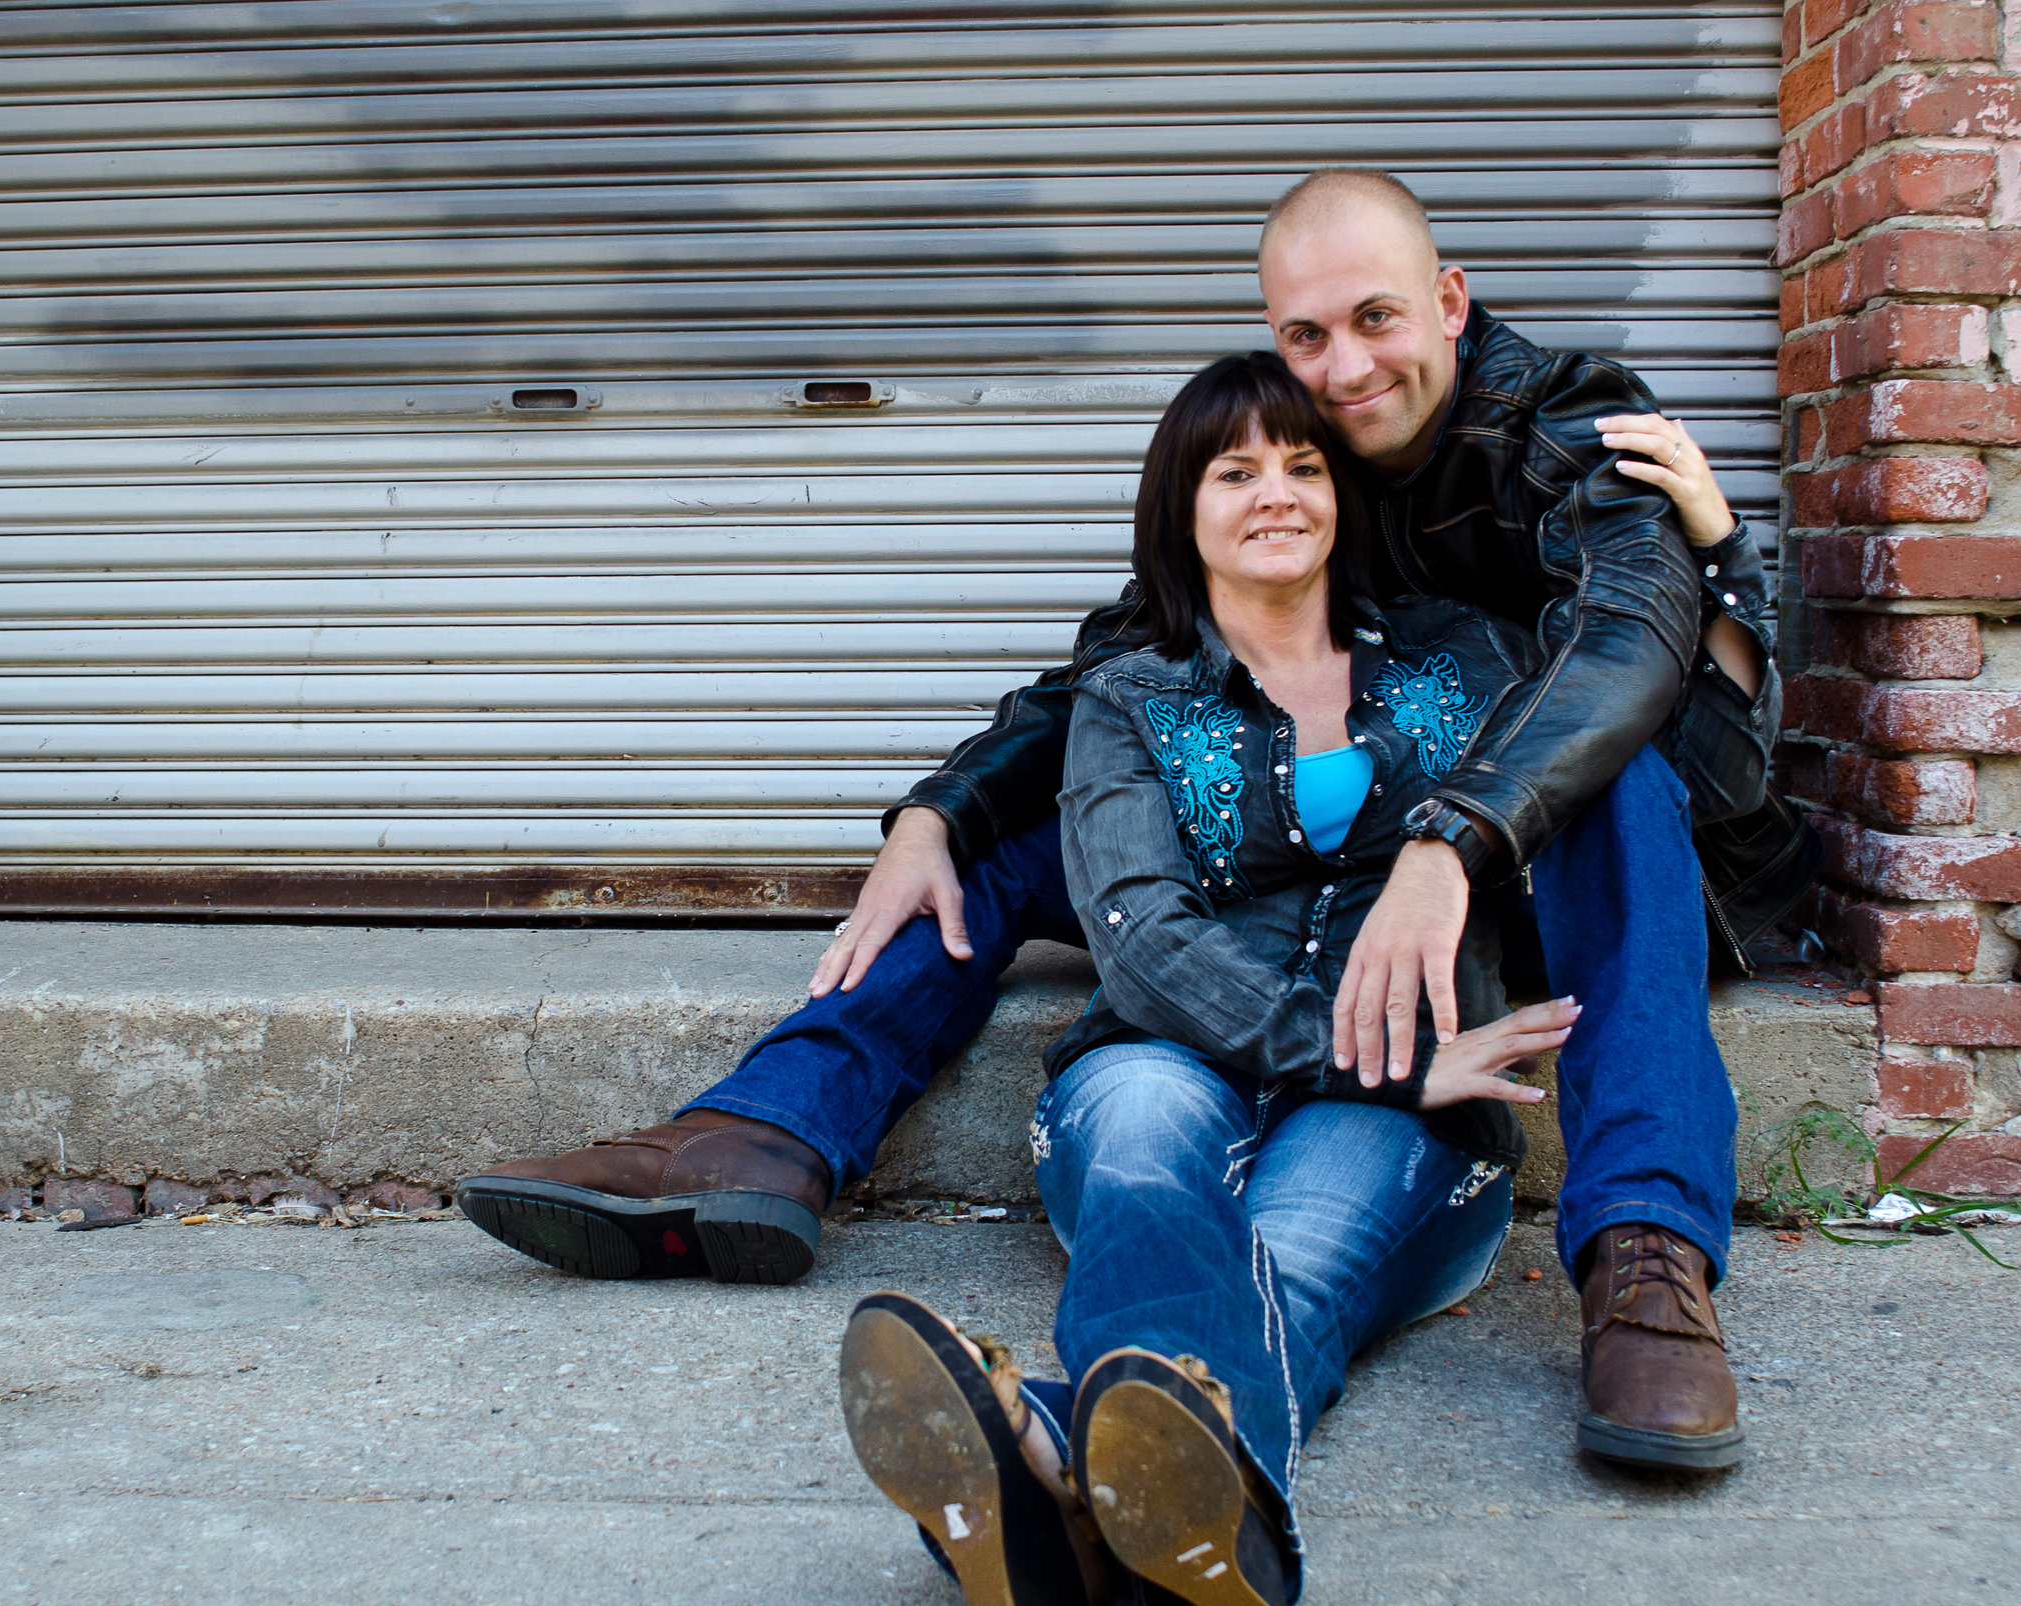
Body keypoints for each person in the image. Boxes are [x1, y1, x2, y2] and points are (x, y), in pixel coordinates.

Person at [457, 168, 1817, 1474]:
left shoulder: (1573, 426)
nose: (1343, 370)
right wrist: (939, 810)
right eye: (1307, 336)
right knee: (1016, 837)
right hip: (1325, 843)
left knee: (1615, 786)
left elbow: (1629, 650)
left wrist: (1453, 834)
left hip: (1529, 853)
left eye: (1377, 321)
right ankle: (769, 1132)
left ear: (1450, 303)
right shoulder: (1296, 443)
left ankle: (1647, 1261)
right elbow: (1129, 663)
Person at [840, 350, 1571, 1606]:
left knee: (1288, 1256)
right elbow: (1142, 941)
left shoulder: (1474, 661)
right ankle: (1188, 1526)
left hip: (1413, 1111)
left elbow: (1648, 706)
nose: (1275, 492)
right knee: (1136, 1150)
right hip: (1188, 1053)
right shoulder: (1127, 696)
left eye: (1303, 464)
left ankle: (1046, 1472)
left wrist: (1706, 536)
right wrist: (1382, 1061)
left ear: (1345, 495)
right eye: (1235, 470)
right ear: (1182, 507)